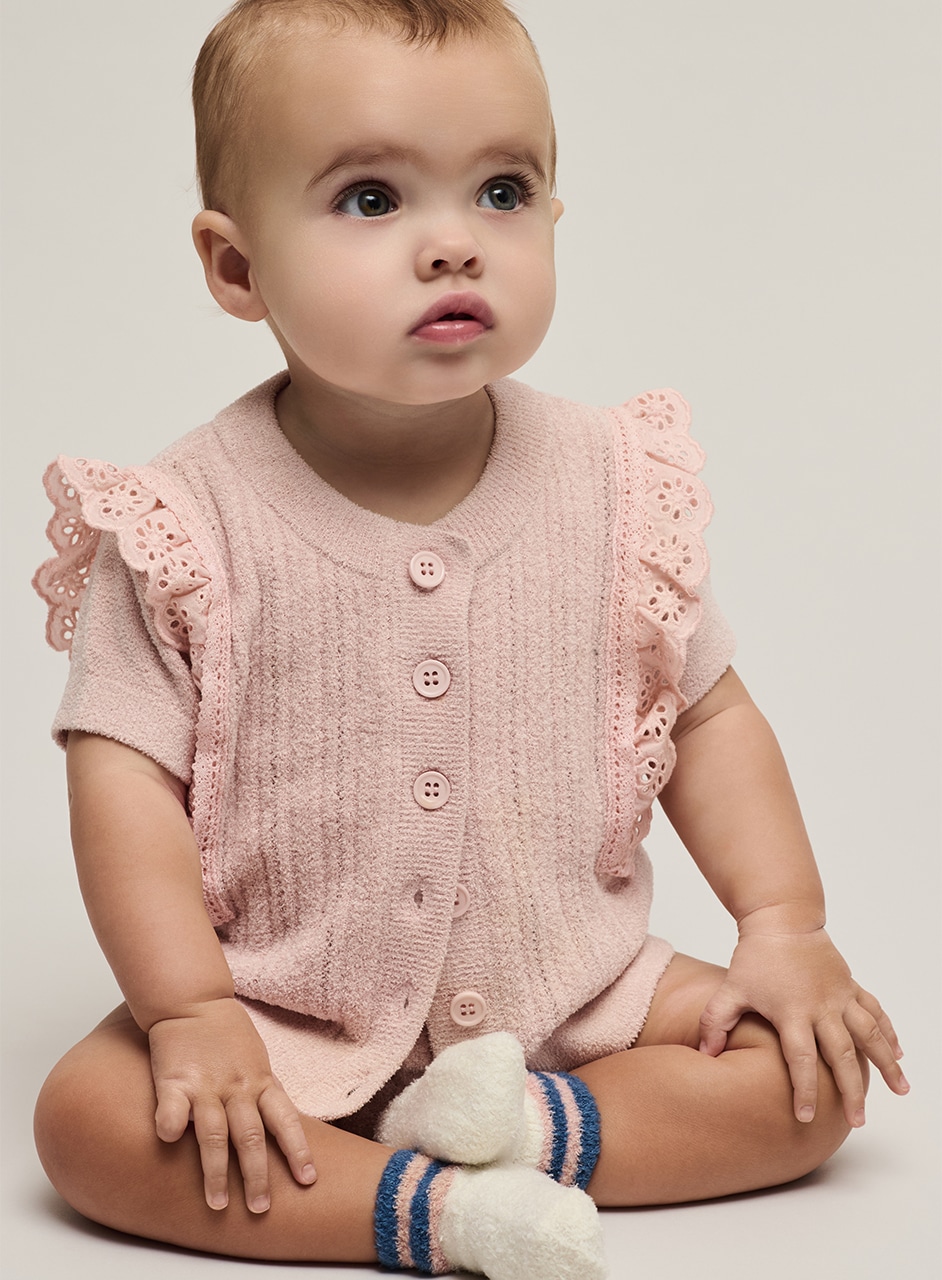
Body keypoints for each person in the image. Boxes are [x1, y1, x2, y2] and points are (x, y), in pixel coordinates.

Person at [31, 1, 909, 1276]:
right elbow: (122, 780)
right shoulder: (184, 528)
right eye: (371, 199)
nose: (454, 244)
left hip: (582, 989)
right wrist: (193, 1011)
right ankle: (445, 1212)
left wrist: (784, 924)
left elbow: (709, 711)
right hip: (285, 1009)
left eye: (503, 191)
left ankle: (529, 1128)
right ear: (237, 268)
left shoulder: (613, 486)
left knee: (809, 1080)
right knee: (87, 1122)